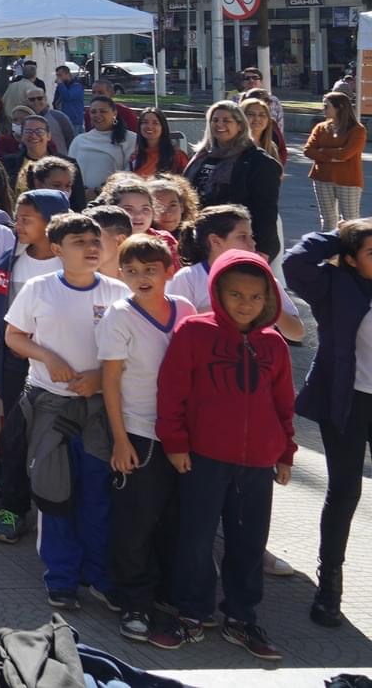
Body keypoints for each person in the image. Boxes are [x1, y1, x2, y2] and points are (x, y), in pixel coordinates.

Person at [154, 249, 295, 660]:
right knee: (195, 540)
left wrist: (285, 451)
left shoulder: (274, 344)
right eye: (235, 294)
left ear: (268, 298)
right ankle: (191, 614)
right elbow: (172, 392)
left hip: (257, 463)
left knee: (249, 542)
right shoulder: (194, 332)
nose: (245, 303)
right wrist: (175, 443)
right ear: (217, 292)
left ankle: (241, 617)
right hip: (203, 457)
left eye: (255, 296)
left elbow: (284, 403)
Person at [4, 210, 126, 612]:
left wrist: (97, 376)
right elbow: (15, 336)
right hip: (51, 405)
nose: (91, 249)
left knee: (98, 494)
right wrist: (47, 356)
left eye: (95, 242)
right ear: (58, 249)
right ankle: (61, 579)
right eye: (79, 243)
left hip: (98, 407)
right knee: (54, 495)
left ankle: (99, 576)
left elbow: (129, 350)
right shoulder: (39, 288)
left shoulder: (115, 292)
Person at [96, 232, 195, 645]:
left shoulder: (186, 309)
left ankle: (168, 595)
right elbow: (111, 382)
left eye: (151, 269)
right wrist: (120, 441)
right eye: (131, 270)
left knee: (175, 520)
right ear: (120, 273)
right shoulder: (119, 315)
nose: (141, 277)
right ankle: (133, 602)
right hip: (138, 433)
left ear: (170, 271)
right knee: (134, 523)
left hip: (184, 434)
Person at [282, 219, 372, 629]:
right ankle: (329, 584)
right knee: (345, 491)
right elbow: (296, 261)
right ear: (351, 259)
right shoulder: (334, 284)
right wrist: (341, 235)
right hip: (348, 400)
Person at [184, 101, 285, 258]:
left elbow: (266, 211)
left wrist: (264, 250)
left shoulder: (258, 161)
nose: (220, 124)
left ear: (240, 125)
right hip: (200, 240)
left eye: (227, 120)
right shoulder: (201, 156)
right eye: (215, 120)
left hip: (238, 243)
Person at [304, 91, 366, 231]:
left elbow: (345, 154)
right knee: (328, 219)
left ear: (340, 108)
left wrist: (322, 151)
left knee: (351, 221)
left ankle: (351, 251)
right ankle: (329, 250)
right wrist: (332, 156)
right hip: (322, 178)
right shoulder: (321, 128)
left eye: (327, 106)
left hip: (348, 180)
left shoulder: (357, 130)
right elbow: (308, 150)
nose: (323, 109)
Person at [131, 107, 187, 178]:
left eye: (155, 123)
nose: (149, 126)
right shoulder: (134, 156)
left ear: (163, 127)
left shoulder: (177, 156)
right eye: (145, 122)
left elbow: (187, 183)